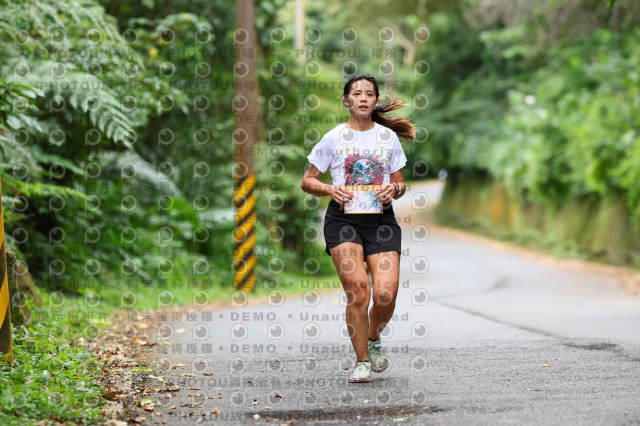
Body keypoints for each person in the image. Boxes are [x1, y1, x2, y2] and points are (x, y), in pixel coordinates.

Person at [300, 74, 415, 383]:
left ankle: (373, 338)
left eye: (369, 94)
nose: (363, 98)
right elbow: (307, 181)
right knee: (359, 289)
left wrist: (394, 189)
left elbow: (400, 183)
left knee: (386, 294)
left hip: (381, 220)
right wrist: (329, 189)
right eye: (356, 93)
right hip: (343, 220)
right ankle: (362, 360)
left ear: (375, 101)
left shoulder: (387, 138)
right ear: (346, 101)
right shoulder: (333, 138)